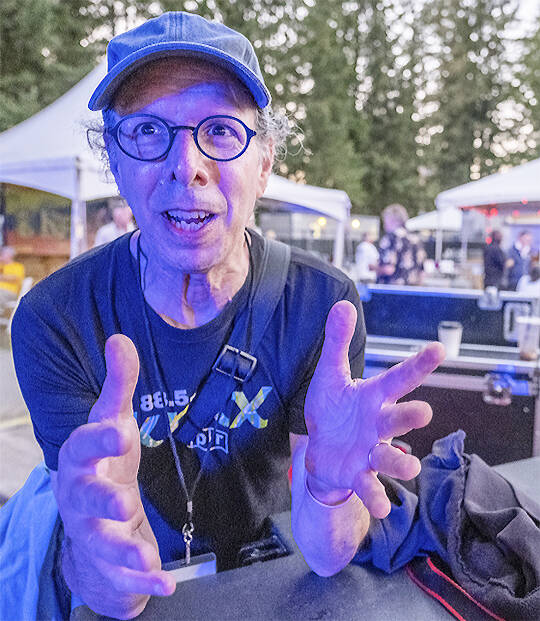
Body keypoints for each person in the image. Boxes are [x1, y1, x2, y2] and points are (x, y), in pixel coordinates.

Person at [10, 12, 444, 619]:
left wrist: (327, 488)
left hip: (268, 588)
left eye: (219, 130)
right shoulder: (57, 319)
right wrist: (105, 552)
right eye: (147, 131)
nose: (186, 165)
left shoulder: (321, 307)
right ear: (114, 160)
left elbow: (326, 555)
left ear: (264, 163)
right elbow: (114, 594)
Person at [376, 203, 425, 285]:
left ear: (392, 219)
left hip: (390, 288)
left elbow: (389, 269)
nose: (384, 224)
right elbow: (422, 272)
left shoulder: (390, 238)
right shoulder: (416, 240)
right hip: (412, 289)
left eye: (385, 219)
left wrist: (373, 267)